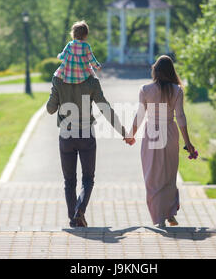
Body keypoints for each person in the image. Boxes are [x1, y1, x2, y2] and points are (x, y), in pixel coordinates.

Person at [47, 20, 133, 228]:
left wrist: (56, 96)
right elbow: (105, 109)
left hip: (65, 136)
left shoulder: (58, 78)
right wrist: (124, 132)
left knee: (69, 181)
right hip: (86, 135)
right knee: (88, 179)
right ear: (86, 44)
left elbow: (50, 109)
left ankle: (73, 218)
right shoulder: (92, 81)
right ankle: (80, 211)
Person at [126, 55, 197, 228]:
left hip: (152, 134)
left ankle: (159, 218)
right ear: (171, 71)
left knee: (152, 176)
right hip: (170, 133)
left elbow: (140, 115)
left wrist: (131, 134)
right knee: (169, 174)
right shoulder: (177, 90)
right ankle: (170, 213)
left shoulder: (145, 89)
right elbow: (180, 117)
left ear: (155, 71)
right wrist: (188, 143)